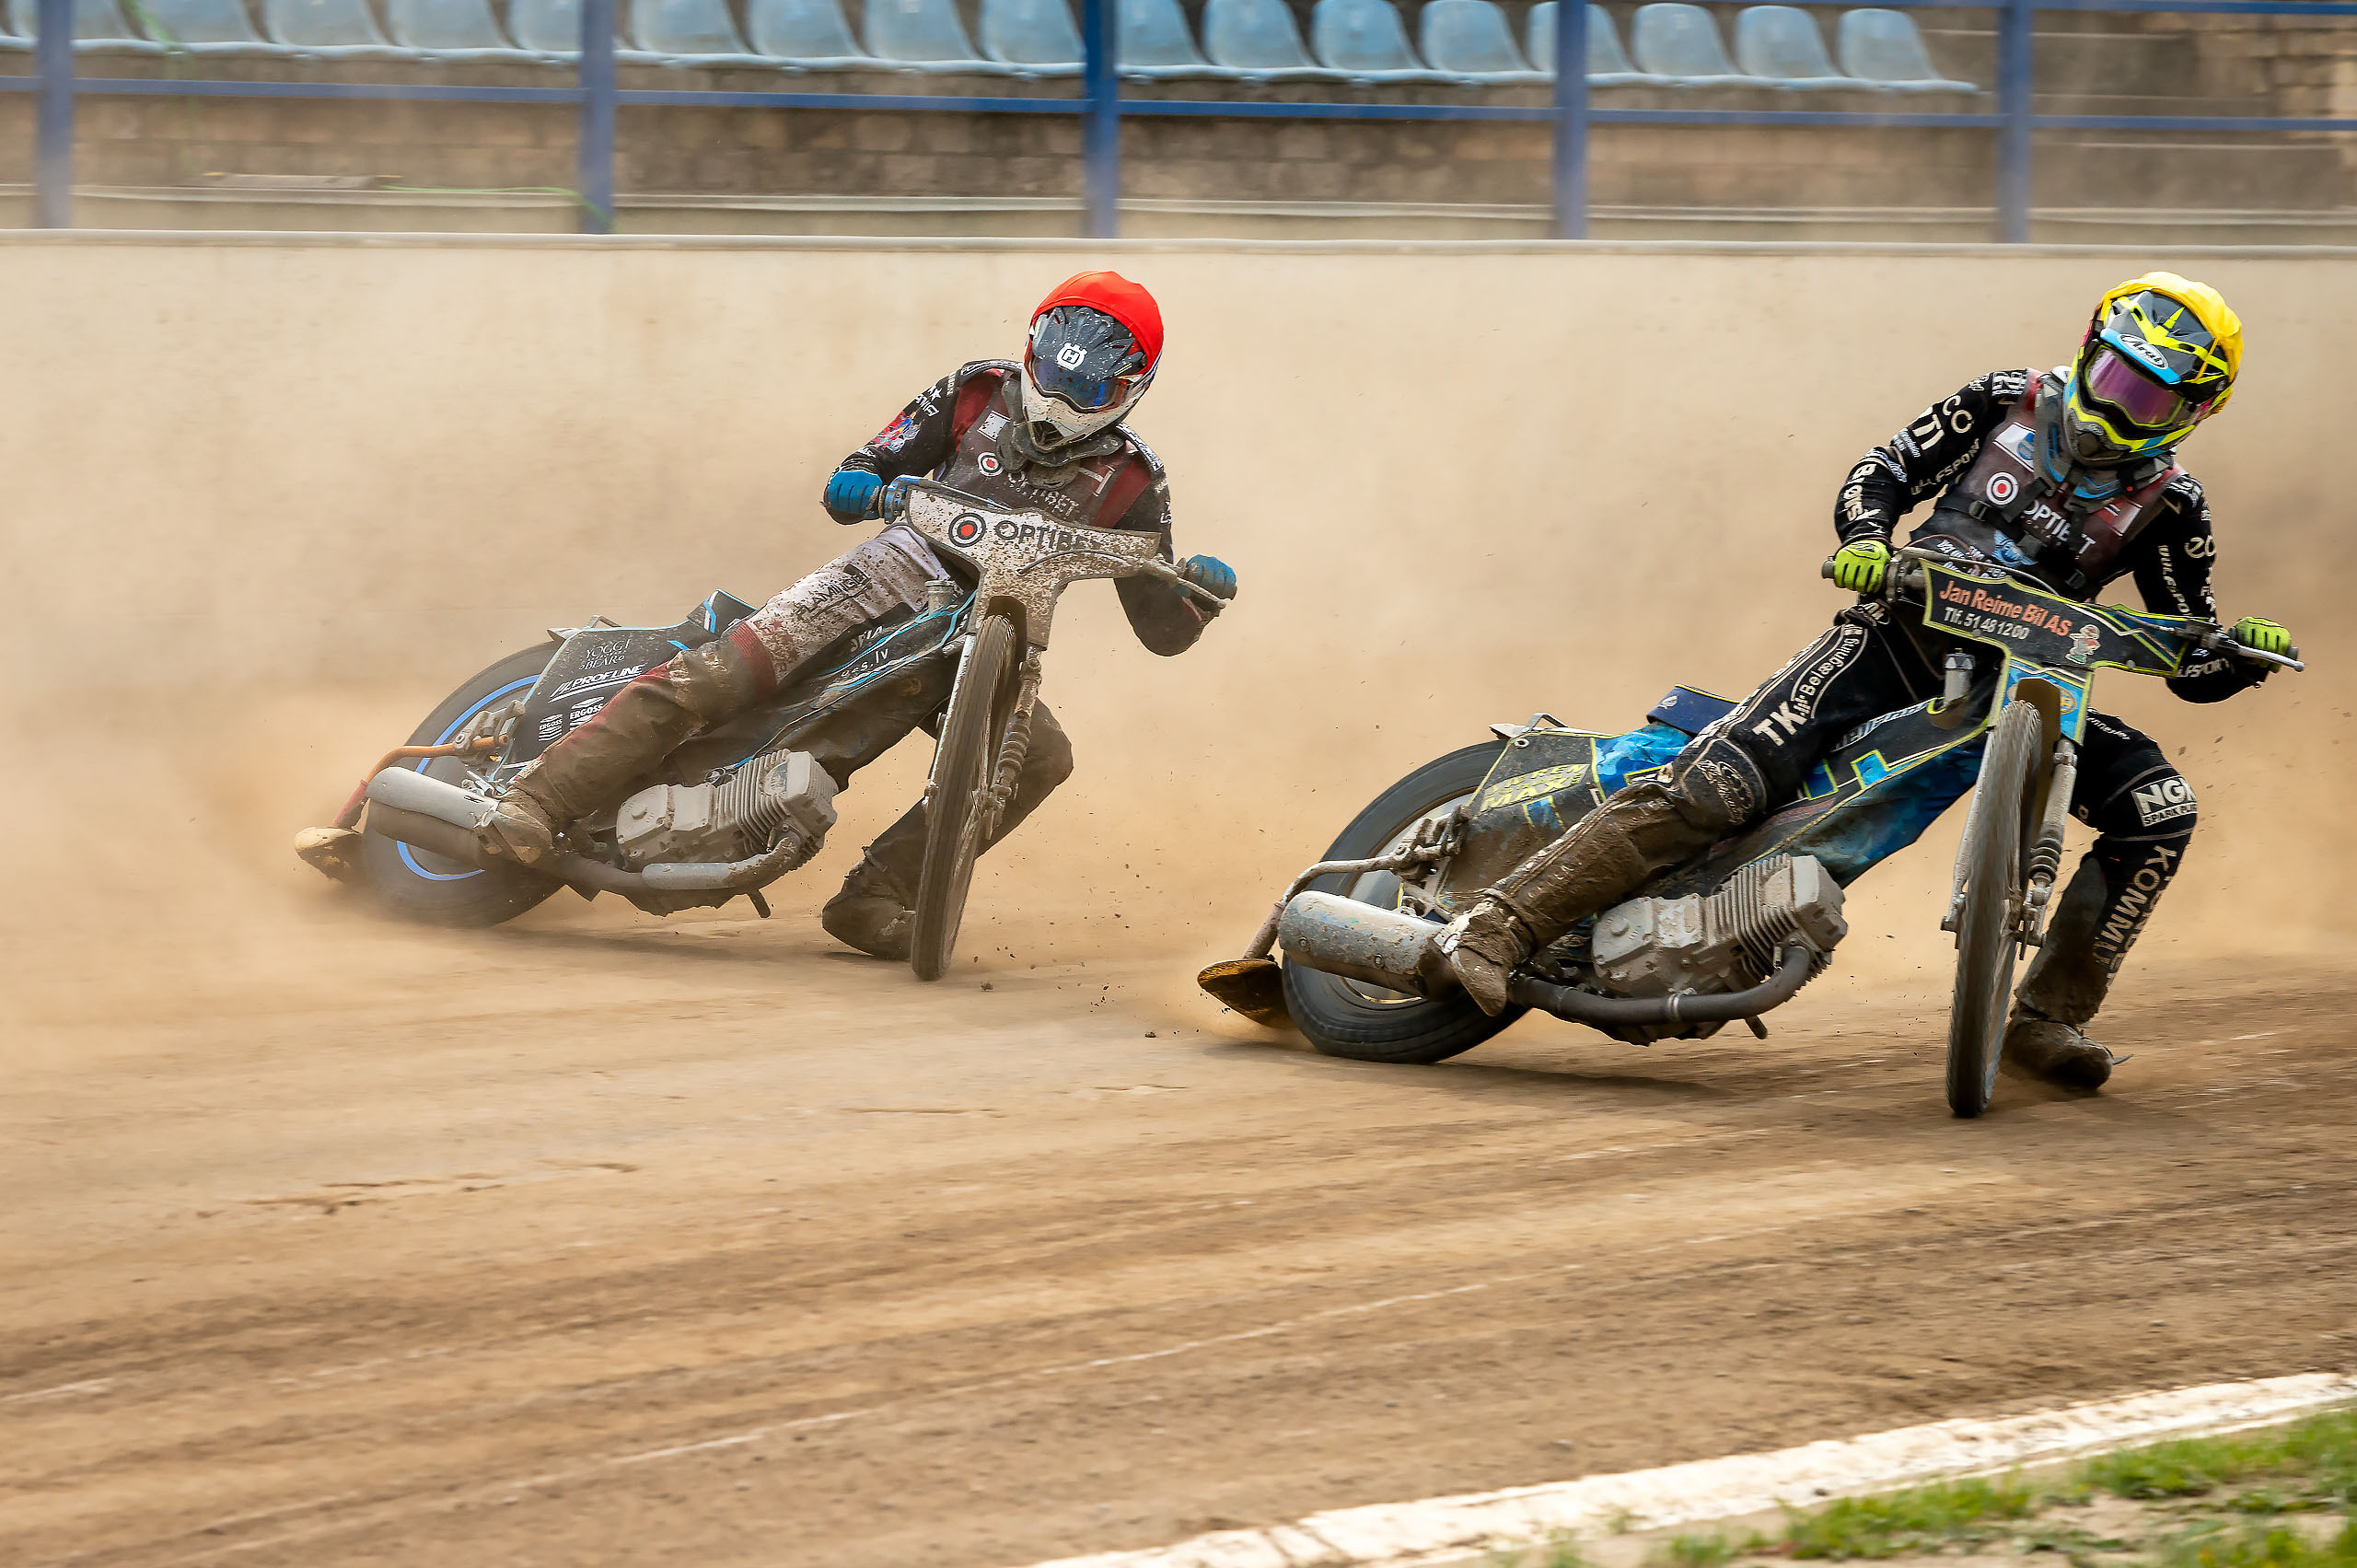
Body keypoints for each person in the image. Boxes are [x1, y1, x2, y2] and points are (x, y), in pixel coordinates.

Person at [1433, 273, 2293, 1090]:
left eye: (2146, 398)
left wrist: (2238, 654)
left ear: (2193, 411)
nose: (2114, 404)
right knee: (1718, 786)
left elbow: (2191, 648)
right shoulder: (2005, 397)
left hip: (2031, 689)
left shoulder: (2174, 507)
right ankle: (1500, 923)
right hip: (1893, 638)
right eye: (2113, 374)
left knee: (2159, 807)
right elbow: (1882, 469)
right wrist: (1870, 537)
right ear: (2089, 346)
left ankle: (2044, 1020)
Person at [477, 270, 1237, 959]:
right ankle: (538, 796)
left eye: (1091, 391)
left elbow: (1161, 629)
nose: (1064, 402)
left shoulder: (1136, 479)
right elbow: (867, 464)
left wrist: (1195, 597)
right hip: (891, 570)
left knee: (1041, 756)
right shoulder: (976, 389)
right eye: (1054, 375)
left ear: (1133, 386)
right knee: (727, 672)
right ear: (1036, 347)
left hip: (1003, 632)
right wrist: (859, 485)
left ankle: (879, 893)